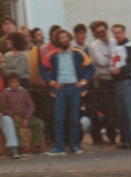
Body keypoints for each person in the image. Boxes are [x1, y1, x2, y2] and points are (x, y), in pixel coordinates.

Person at [40, 28, 95, 156]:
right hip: (60, 89)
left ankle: (74, 147)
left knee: (74, 118)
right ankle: (59, 148)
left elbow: (91, 68)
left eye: (66, 37)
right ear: (57, 40)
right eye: (61, 38)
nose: (64, 40)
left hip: (75, 88)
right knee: (58, 119)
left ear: (69, 38)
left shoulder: (78, 53)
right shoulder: (52, 54)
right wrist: (52, 82)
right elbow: (42, 69)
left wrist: (83, 82)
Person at [110, 23, 131, 150]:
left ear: (124, 33)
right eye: (115, 33)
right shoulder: (116, 47)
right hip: (118, 83)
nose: (117, 35)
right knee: (122, 113)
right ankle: (127, 140)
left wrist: (121, 70)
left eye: (119, 32)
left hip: (129, 81)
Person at [0, 72, 45, 155]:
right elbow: (4, 108)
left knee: (39, 123)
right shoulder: (5, 93)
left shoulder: (24, 91)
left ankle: (35, 145)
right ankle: (21, 147)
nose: (15, 84)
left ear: (19, 82)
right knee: (14, 126)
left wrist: (27, 118)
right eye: (12, 82)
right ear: (9, 83)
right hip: (14, 118)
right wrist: (13, 115)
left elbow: (31, 105)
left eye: (16, 81)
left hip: (25, 117)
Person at [88, 21, 117, 145]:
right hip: (101, 81)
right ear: (95, 33)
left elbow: (117, 58)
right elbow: (101, 62)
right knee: (102, 109)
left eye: (103, 31)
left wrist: (110, 59)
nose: (101, 34)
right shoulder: (94, 46)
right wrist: (113, 60)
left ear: (107, 30)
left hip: (114, 79)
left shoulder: (114, 42)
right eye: (98, 32)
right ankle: (99, 136)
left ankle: (112, 136)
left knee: (114, 109)